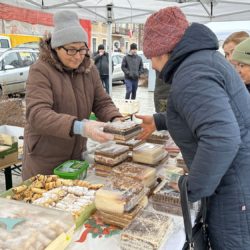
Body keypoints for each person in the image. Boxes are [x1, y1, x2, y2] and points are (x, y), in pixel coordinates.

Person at [137, 6, 250, 250]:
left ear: (162, 51)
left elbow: (222, 138)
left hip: (233, 191)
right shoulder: (202, 61)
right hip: (235, 180)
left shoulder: (192, 73)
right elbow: (207, 113)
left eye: (151, 57)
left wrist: (191, 188)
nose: (153, 66)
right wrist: (159, 120)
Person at [22, 10, 122, 180]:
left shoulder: (89, 70)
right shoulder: (41, 70)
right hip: (45, 159)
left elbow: (101, 102)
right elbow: (37, 114)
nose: (77, 56)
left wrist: (116, 120)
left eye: (82, 49)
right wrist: (80, 127)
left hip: (75, 158)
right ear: (56, 47)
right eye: (71, 50)